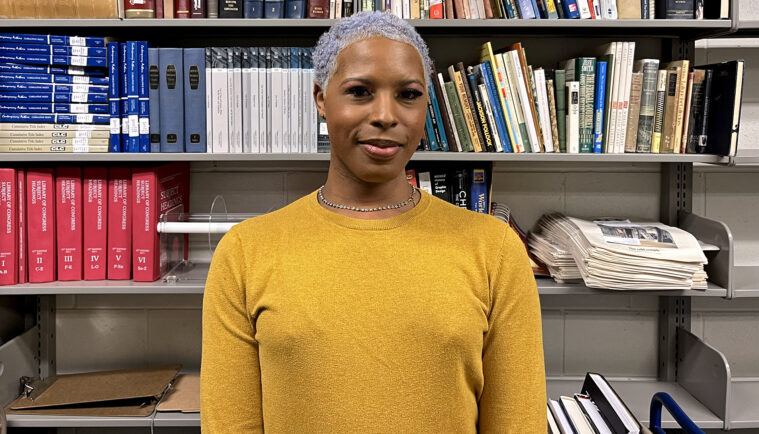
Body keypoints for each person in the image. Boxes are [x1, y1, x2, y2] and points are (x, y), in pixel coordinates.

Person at [201, 11, 546, 432]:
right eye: (360, 91)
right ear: (321, 100)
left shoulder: (494, 249)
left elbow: (517, 424)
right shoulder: (245, 251)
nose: (386, 114)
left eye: (409, 94)